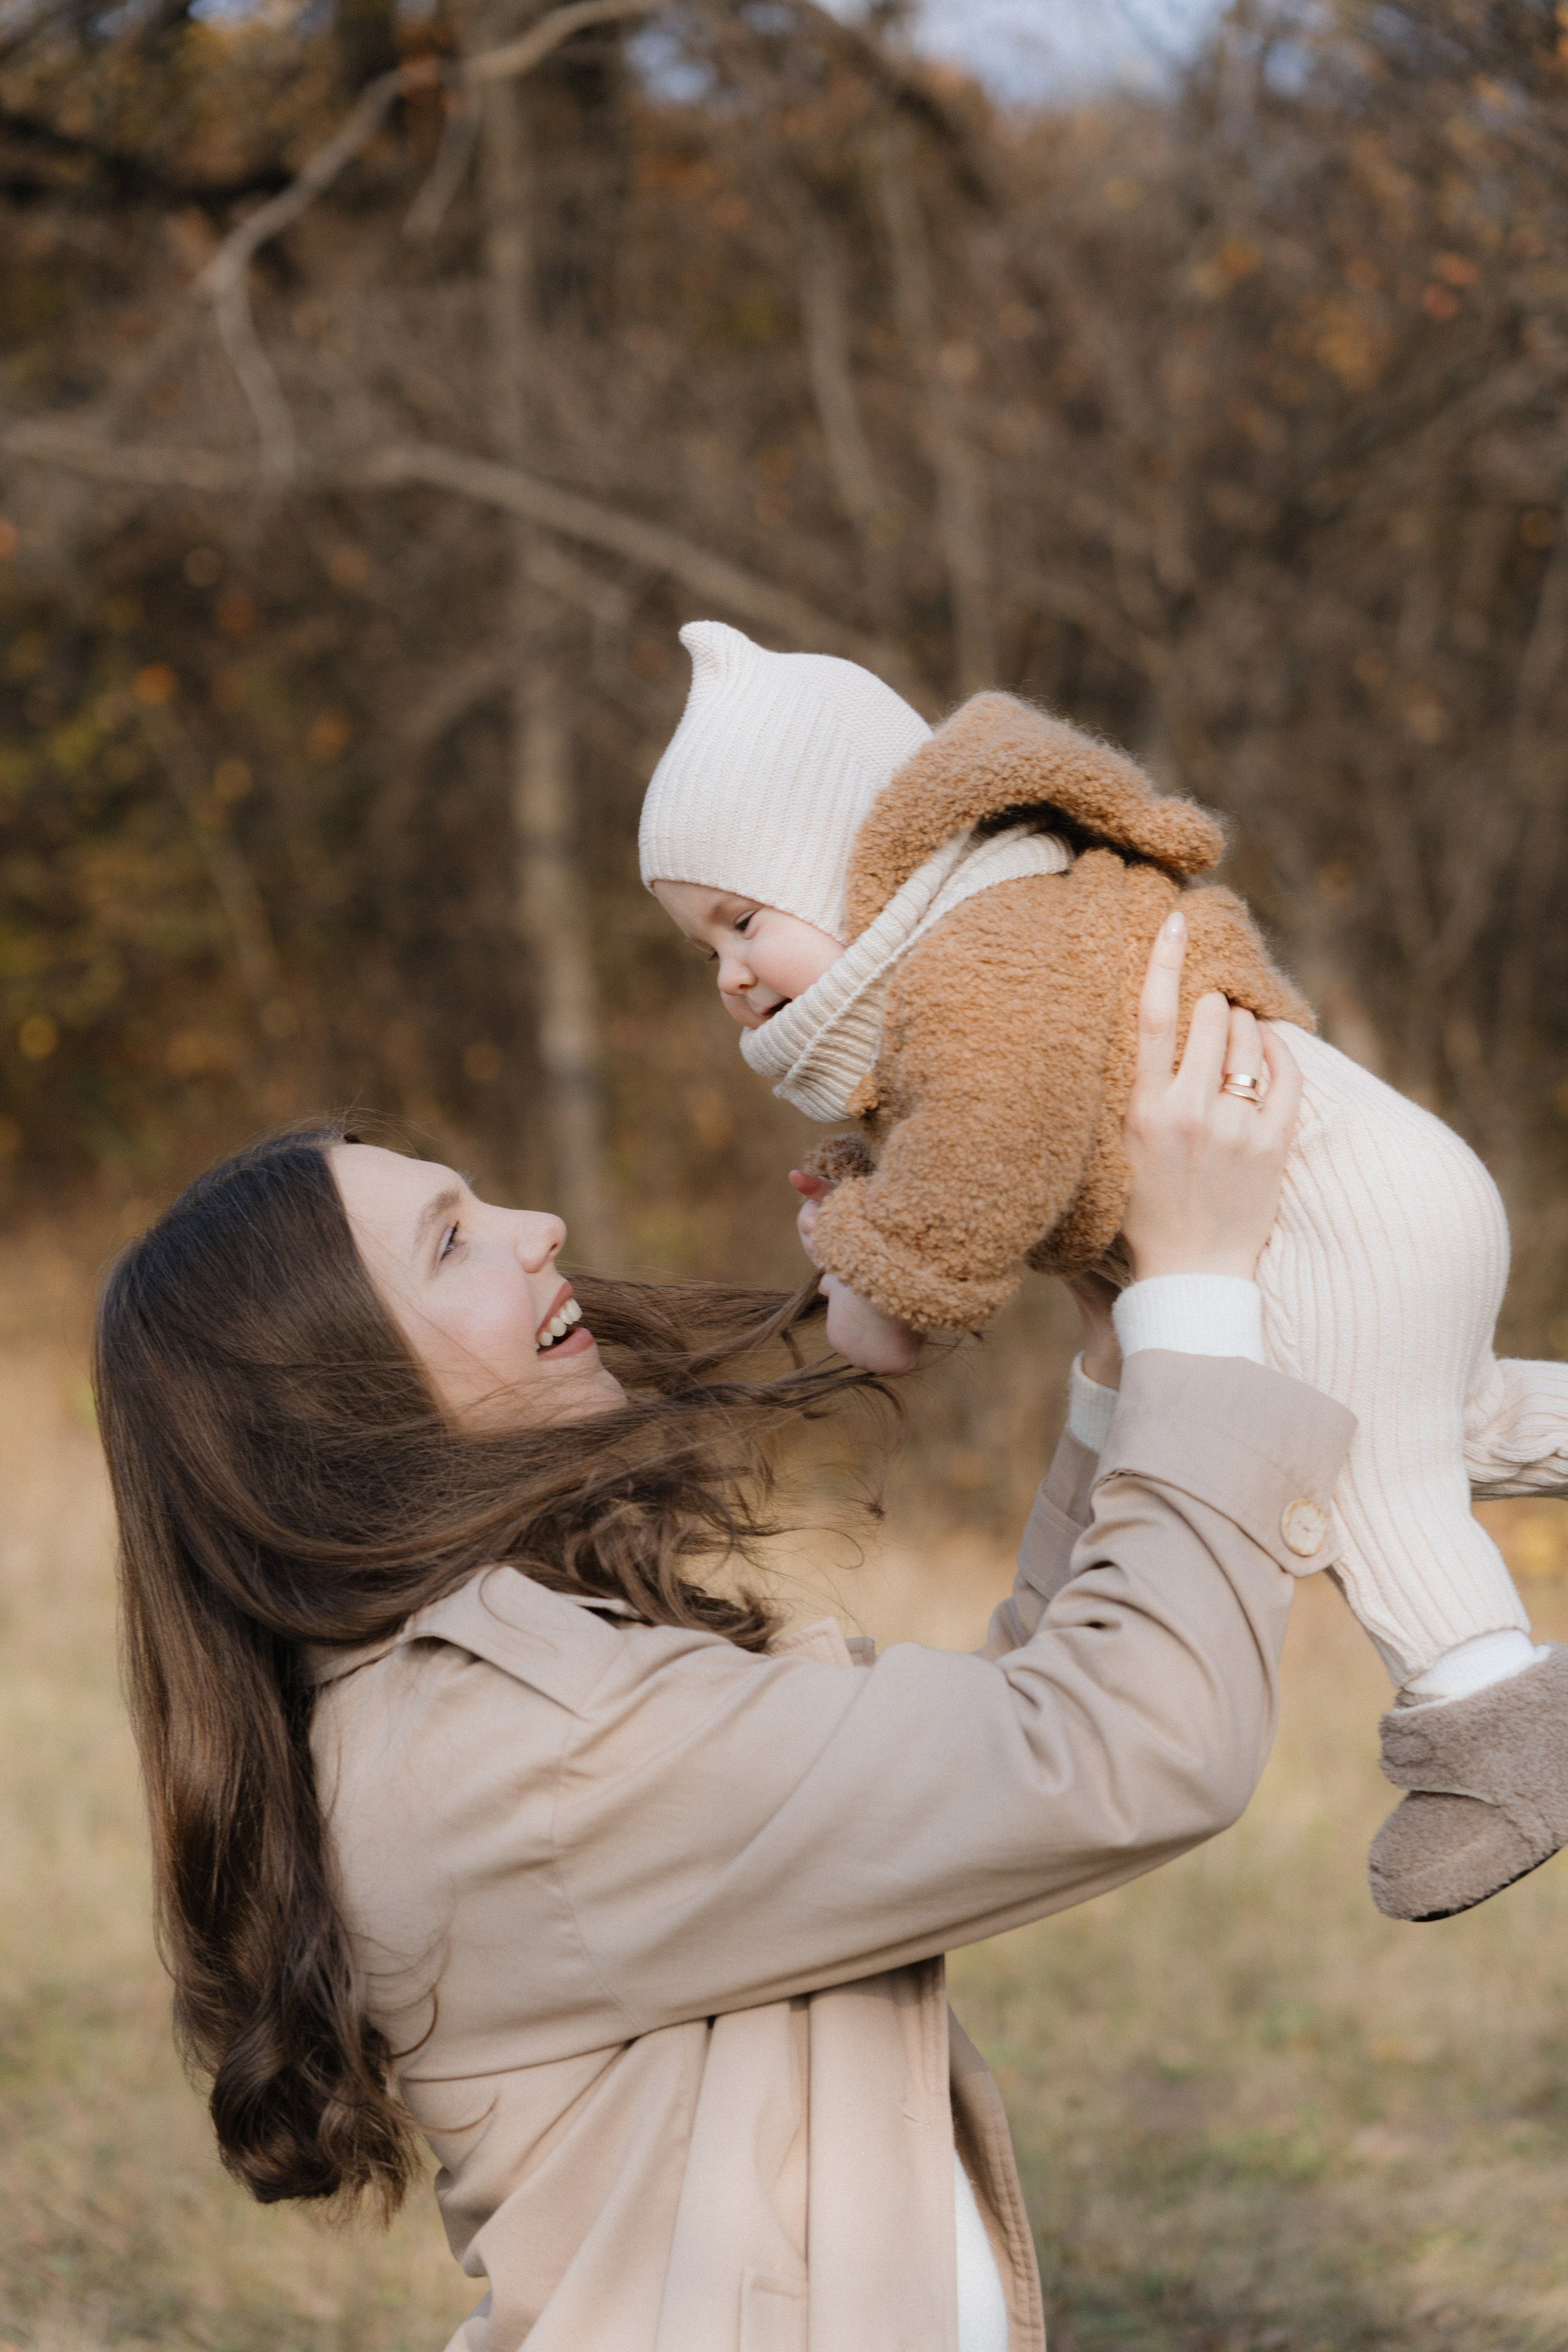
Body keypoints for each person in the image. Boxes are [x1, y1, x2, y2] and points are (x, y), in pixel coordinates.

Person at [96, 922, 1353, 2352]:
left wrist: (1124, 1350)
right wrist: (1200, 1294)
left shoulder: (487, 1687)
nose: (536, 1228)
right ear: (348, 1407)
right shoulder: (522, 1743)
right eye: (453, 1242)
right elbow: (1123, 1746)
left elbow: (995, 1739)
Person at [641, 619, 1568, 1922]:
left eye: (742, 920)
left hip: (1332, 1219)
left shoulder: (978, 961)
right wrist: (873, 1200)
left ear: (842, 860)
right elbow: (1002, 1150)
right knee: (1448, 1419)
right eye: (705, 952)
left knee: (1367, 1469)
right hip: (1384, 1186)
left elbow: (985, 1162)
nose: (732, 975)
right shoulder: (1005, 924)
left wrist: (874, 1274)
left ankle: (1496, 1728)